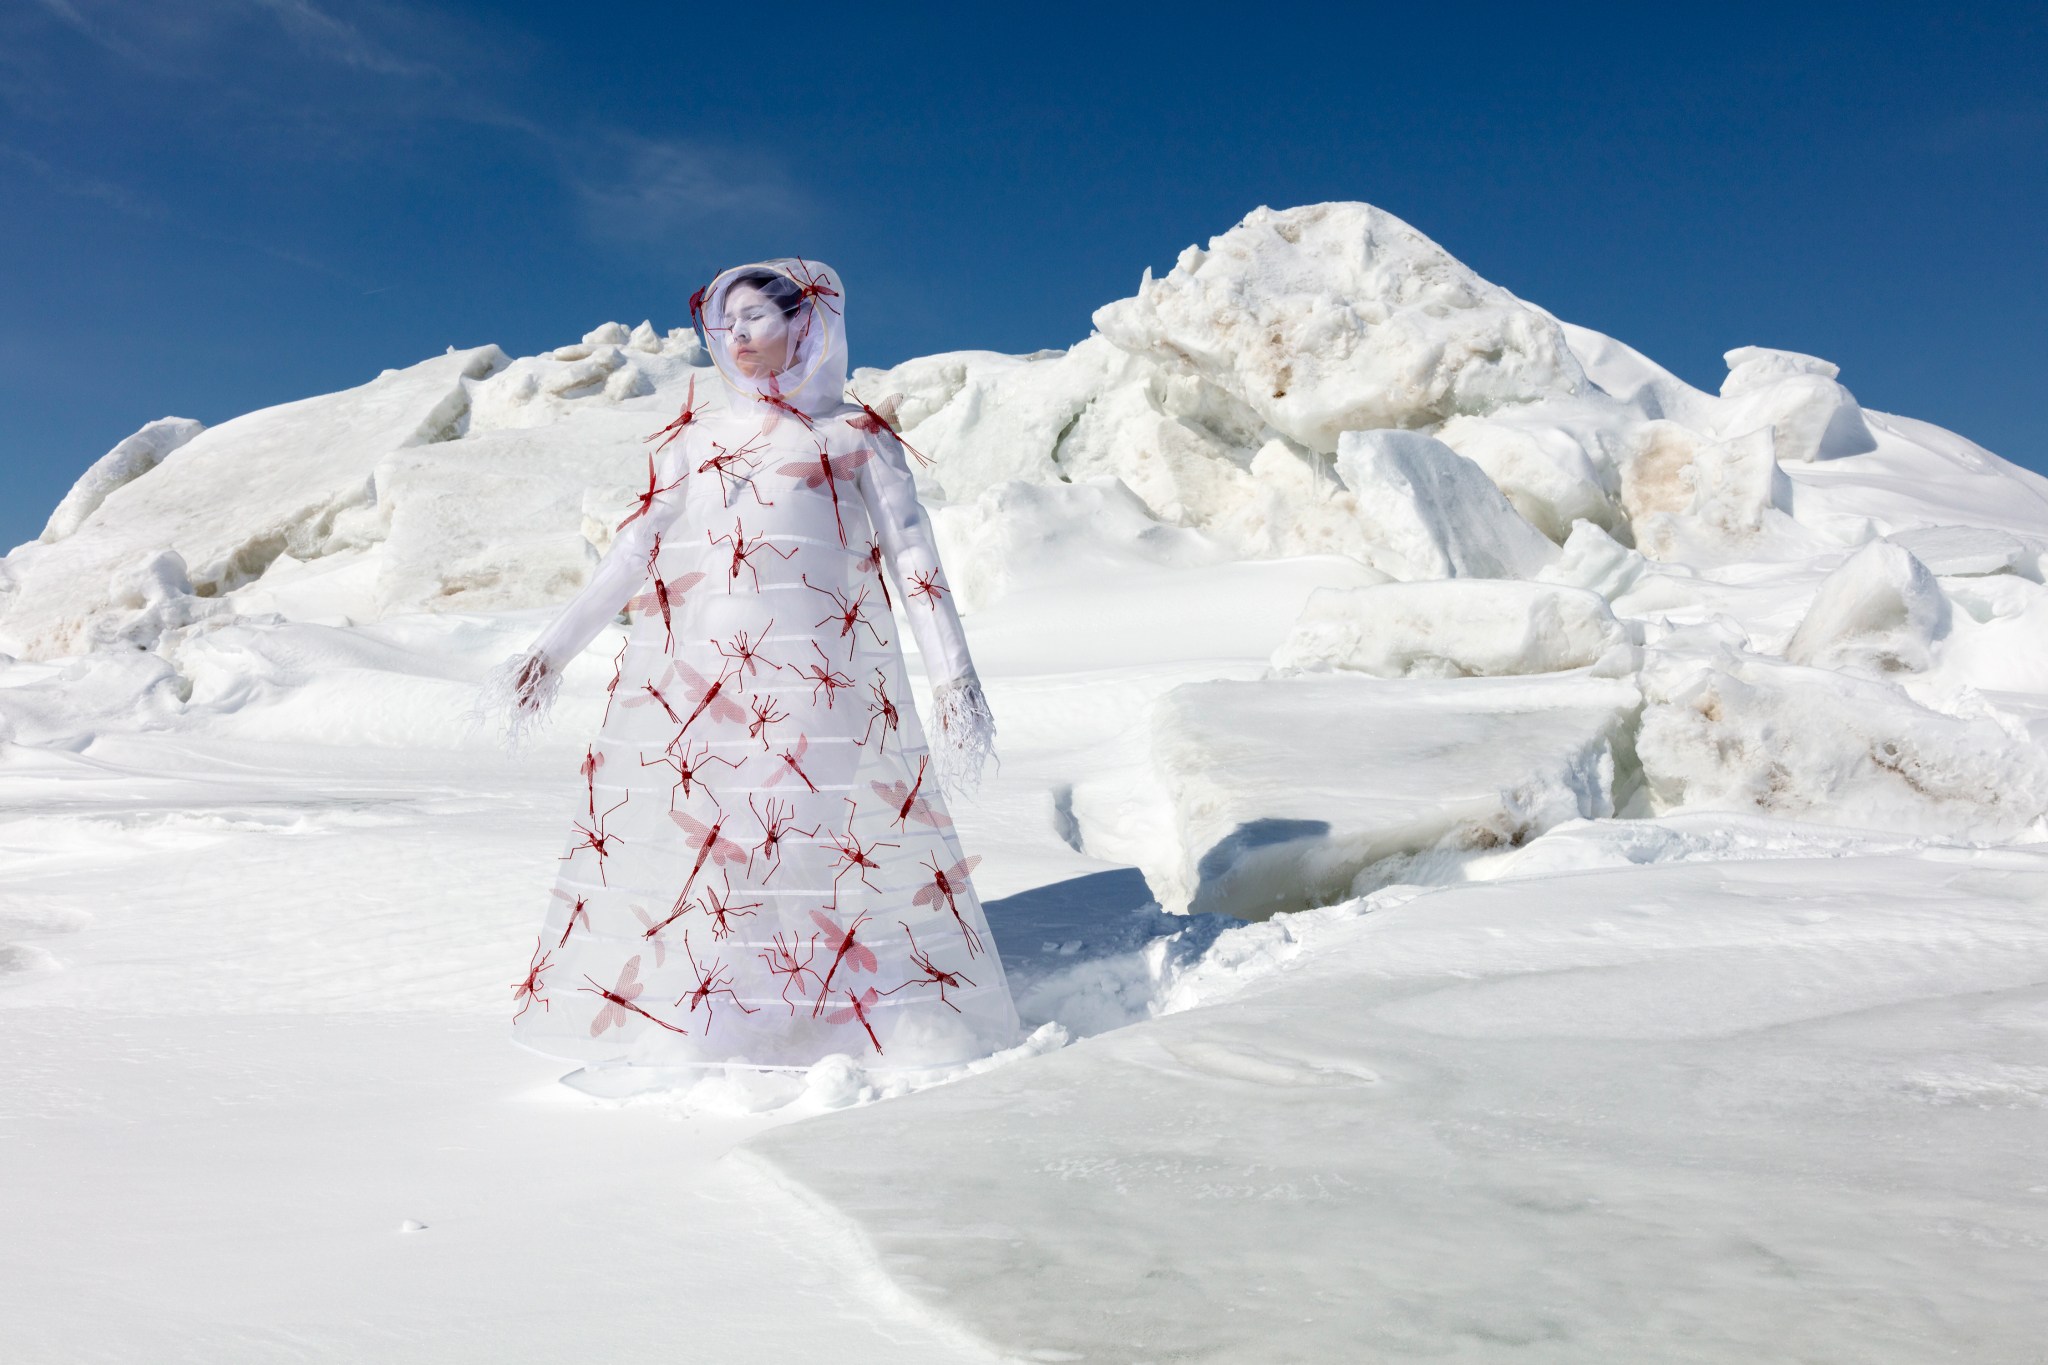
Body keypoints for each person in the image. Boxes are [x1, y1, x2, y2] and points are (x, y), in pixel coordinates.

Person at [487, 258, 1019, 1074]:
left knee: (793, 841)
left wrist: (955, 675)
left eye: (756, 319)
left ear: (807, 324)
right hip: (703, 690)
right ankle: (731, 1024)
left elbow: (914, 554)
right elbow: (634, 553)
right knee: (719, 852)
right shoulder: (694, 444)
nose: (735, 335)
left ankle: (817, 1029)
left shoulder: (852, 436)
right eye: (725, 320)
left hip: (817, 685)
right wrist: (549, 651)